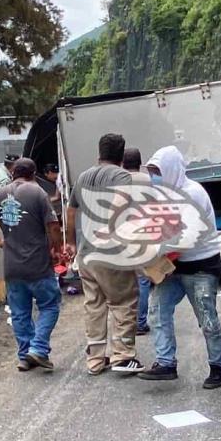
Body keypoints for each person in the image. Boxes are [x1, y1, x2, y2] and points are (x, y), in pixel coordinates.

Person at [136, 146, 221, 388]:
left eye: (158, 171)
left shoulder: (192, 194)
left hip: (201, 267)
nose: (154, 176)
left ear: (171, 169)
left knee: (207, 318)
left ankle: (219, 367)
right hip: (175, 267)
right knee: (157, 310)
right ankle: (165, 363)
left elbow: (184, 238)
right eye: (152, 171)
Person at [66, 133, 143, 375]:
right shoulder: (122, 175)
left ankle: (96, 360)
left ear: (99, 152)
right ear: (121, 155)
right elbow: (122, 203)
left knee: (94, 305)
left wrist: (70, 243)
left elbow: (70, 212)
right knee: (123, 302)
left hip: (86, 254)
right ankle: (122, 356)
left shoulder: (83, 177)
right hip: (111, 254)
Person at [0, 158, 62, 371]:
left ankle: (25, 356)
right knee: (50, 305)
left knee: (20, 313)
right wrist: (57, 249)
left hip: (12, 266)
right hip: (38, 264)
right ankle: (39, 348)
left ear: (13, 173)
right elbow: (53, 226)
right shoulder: (37, 193)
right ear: (33, 173)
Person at [122, 148, 152, 336]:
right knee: (142, 281)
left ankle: (126, 323)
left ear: (123, 163)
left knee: (124, 282)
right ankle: (140, 322)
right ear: (140, 162)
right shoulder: (149, 180)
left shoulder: (118, 181)